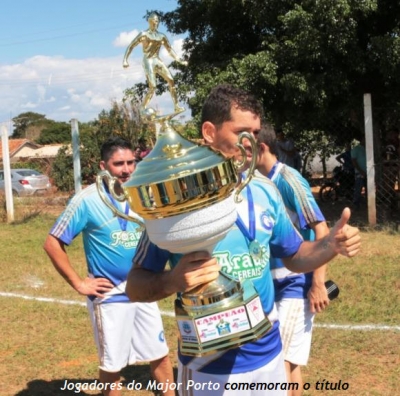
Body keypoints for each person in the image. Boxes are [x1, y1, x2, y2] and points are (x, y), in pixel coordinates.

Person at [126, 84, 360, 395]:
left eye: (256, 132)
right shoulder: (174, 198)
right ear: (209, 131)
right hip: (208, 366)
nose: (252, 141)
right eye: (241, 131)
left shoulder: (264, 190)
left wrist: (331, 244)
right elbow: (135, 285)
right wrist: (172, 280)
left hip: (269, 355)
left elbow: (294, 255)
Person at [43, 137, 174, 396]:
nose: (126, 169)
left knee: (160, 355)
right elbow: (52, 243)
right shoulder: (87, 200)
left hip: (144, 289)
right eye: (118, 164)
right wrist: (79, 283)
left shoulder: (143, 195)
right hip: (110, 295)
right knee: (112, 365)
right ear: (104, 166)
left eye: (130, 162)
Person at [255, 123, 330, 396]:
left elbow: (322, 231)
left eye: (244, 150)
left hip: (295, 284)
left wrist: (317, 284)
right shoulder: (258, 184)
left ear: (261, 148)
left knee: (282, 361)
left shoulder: (289, 180)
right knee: (289, 361)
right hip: (270, 284)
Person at [123, 12, 188, 113]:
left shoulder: (161, 36)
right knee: (153, 86)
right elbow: (131, 46)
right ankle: (143, 107)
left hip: (156, 59)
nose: (157, 21)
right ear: (150, 21)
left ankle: (176, 106)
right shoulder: (144, 34)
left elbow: (170, 49)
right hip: (147, 60)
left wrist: (179, 60)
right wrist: (125, 60)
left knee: (171, 80)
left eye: (158, 20)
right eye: (155, 19)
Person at [351, 136, 367, 209]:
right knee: (358, 188)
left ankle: (367, 203)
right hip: (360, 173)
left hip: (368, 172)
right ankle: (356, 204)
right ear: (361, 140)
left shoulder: (368, 148)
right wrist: (361, 171)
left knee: (369, 189)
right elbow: (354, 161)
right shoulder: (356, 149)